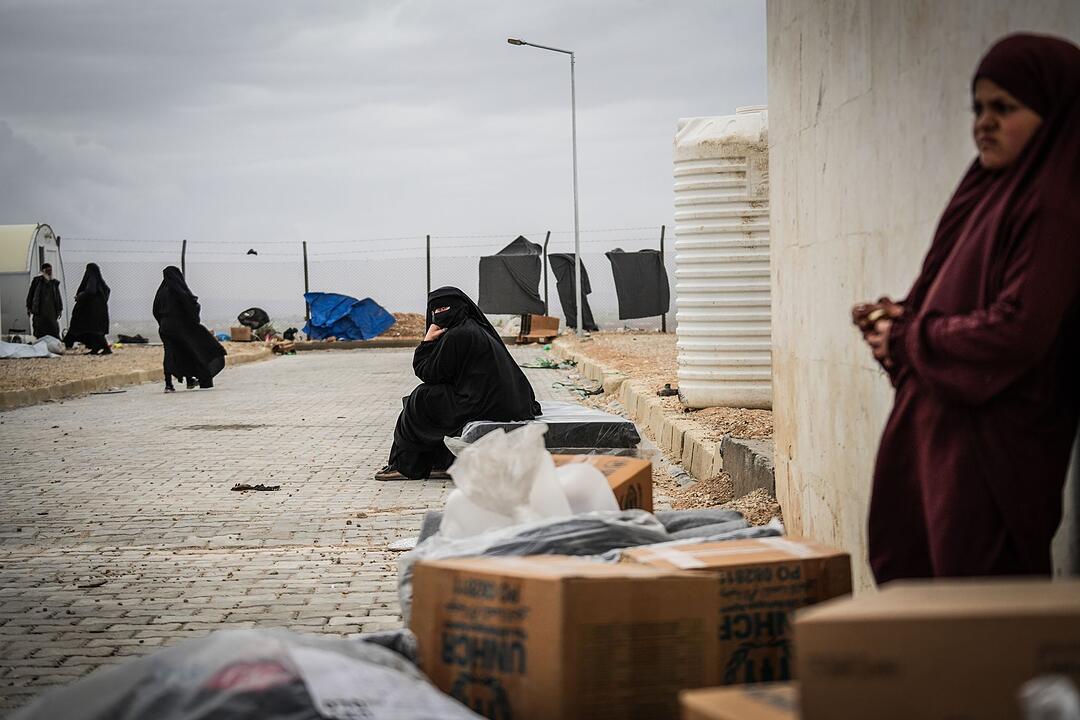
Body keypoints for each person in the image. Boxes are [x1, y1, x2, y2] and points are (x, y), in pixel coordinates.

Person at [854, 34, 1080, 582]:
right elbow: (950, 295)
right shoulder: (987, 192)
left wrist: (911, 337)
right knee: (929, 601)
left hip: (994, 456)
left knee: (980, 613)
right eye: (979, 108)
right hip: (943, 444)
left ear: (1054, 115)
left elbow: (1018, 328)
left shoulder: (1054, 208)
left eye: (1006, 108)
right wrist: (897, 321)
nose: (985, 122)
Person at [376, 286, 541, 480]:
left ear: (460, 307)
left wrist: (427, 341)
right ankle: (442, 462)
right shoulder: (472, 327)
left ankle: (406, 466)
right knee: (428, 397)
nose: (439, 315)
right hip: (500, 402)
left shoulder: (458, 335)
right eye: (435, 311)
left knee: (420, 400)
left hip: (485, 404)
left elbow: (428, 373)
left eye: (444, 309)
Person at [153, 266, 226, 392]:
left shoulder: (161, 292)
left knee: (170, 353)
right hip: (180, 325)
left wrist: (163, 322)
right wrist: (193, 321)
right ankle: (196, 378)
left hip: (165, 327)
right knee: (193, 349)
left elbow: (155, 310)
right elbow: (190, 304)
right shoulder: (178, 290)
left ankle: (169, 384)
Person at [64, 263, 111, 355]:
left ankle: (103, 349)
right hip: (98, 310)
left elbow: (90, 291)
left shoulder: (92, 278)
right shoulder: (100, 282)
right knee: (96, 331)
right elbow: (107, 290)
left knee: (93, 330)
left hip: (91, 311)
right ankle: (96, 349)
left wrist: (80, 296)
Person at [26, 263, 62, 339]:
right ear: (43, 271)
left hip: (51, 314)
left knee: (54, 331)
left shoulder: (54, 283)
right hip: (39, 313)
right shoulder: (37, 282)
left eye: (50, 270)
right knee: (39, 332)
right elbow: (31, 294)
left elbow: (58, 297)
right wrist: (29, 307)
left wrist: (60, 309)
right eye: (48, 270)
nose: (50, 272)